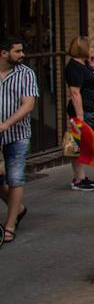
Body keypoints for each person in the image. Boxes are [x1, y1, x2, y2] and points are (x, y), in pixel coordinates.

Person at [0, 36, 38, 248]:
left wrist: (6, 123)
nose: (22, 55)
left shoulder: (26, 74)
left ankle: (10, 224)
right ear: (3, 53)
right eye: (17, 51)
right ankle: (19, 208)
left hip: (18, 134)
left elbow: (28, 104)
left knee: (15, 178)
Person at [65, 35, 94, 191]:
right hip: (84, 111)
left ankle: (82, 177)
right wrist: (79, 116)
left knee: (85, 143)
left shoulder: (85, 65)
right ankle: (78, 178)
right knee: (77, 144)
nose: (92, 49)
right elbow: (75, 92)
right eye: (90, 47)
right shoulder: (74, 67)